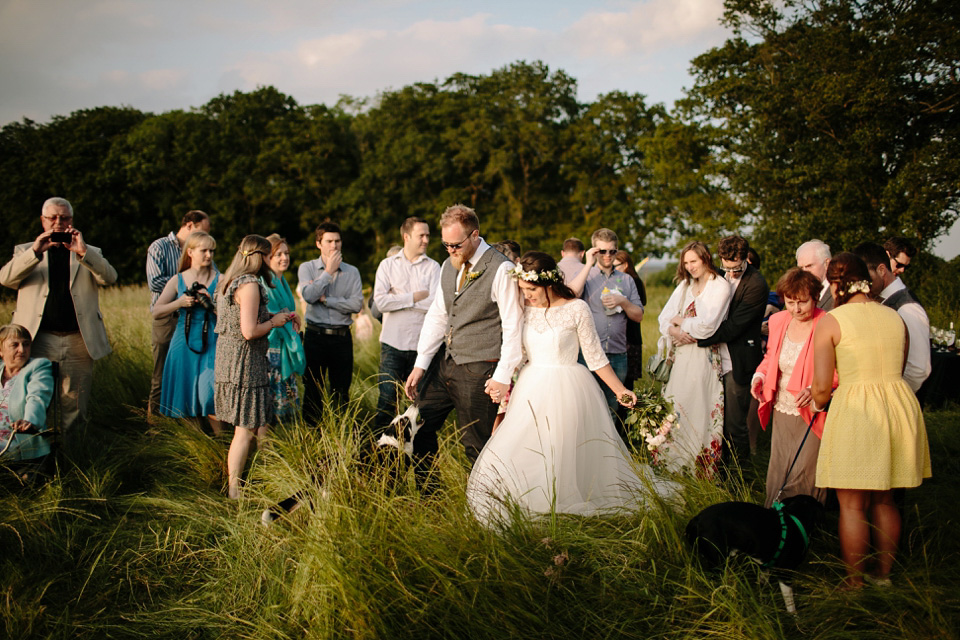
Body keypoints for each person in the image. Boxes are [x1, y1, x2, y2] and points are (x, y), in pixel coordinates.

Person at [466, 252, 676, 524]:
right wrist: (499, 379)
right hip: (532, 387)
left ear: (548, 283)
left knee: (561, 445)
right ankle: (531, 496)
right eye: (522, 290)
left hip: (569, 387)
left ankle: (563, 498)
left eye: (530, 289)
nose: (526, 295)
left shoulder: (577, 309)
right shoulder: (524, 311)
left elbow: (595, 357)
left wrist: (619, 390)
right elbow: (516, 353)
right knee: (529, 443)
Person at [812, 252, 931, 588]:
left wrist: (820, 403)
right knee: (885, 498)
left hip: (857, 408)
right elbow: (902, 366)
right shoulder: (894, 317)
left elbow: (821, 388)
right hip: (898, 404)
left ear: (836, 284)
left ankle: (854, 583)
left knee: (851, 505)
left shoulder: (832, 321)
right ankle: (884, 576)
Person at [404, 204, 524, 473]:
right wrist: (420, 364)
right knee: (418, 428)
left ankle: (485, 509)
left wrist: (503, 376)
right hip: (445, 363)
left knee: (476, 443)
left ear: (474, 235)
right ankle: (430, 497)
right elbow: (438, 315)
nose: (450, 251)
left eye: (455, 245)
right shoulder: (449, 265)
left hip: (481, 367)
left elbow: (513, 325)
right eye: (445, 245)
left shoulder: (500, 269)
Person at [0, 197, 117, 453]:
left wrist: (83, 252)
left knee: (74, 406)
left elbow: (110, 277)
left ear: (71, 221)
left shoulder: (87, 250)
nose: (58, 223)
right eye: (52, 218)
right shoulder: (26, 250)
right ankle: (32, 458)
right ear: (42, 221)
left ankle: (72, 460)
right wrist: (35, 251)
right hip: (35, 340)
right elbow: (6, 279)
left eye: (64, 218)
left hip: (78, 339)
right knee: (33, 402)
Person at [216, 235, 295, 499]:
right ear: (260, 256)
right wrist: (275, 323)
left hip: (230, 359)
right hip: (245, 363)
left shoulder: (229, 280)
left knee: (247, 428)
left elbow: (246, 318)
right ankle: (235, 491)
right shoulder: (249, 285)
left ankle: (243, 483)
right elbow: (249, 330)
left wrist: (274, 316)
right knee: (244, 431)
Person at [751, 268, 831, 507]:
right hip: (781, 404)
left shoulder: (827, 322)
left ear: (815, 298)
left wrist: (817, 388)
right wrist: (760, 375)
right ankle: (775, 518)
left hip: (811, 409)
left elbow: (838, 368)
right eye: (790, 302)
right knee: (780, 464)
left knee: (805, 468)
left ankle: (804, 522)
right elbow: (771, 357)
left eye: (803, 302)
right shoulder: (778, 320)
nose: (796, 309)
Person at [657, 241, 731, 476]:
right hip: (680, 357)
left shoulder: (719, 286)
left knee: (698, 408)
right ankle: (671, 464)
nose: (690, 267)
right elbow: (663, 319)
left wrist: (680, 321)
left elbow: (707, 327)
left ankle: (697, 468)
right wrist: (675, 331)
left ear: (706, 258)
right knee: (676, 405)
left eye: (694, 261)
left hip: (704, 358)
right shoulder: (684, 285)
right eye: (686, 262)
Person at [696, 235, 769, 467]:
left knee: (735, 425)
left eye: (736, 268)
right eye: (727, 267)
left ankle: (739, 475)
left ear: (746, 258)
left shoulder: (757, 284)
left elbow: (734, 327)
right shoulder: (716, 275)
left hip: (738, 359)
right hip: (713, 357)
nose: (732, 273)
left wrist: (697, 338)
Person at [372, 217, 441, 433]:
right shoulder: (387, 265)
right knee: (386, 402)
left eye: (428, 235)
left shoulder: (433, 267)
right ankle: (377, 454)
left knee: (420, 407)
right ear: (406, 237)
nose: (426, 240)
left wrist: (399, 298)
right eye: (422, 235)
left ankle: (417, 455)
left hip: (423, 349)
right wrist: (414, 297)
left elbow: (437, 305)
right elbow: (380, 302)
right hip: (393, 345)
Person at [568, 229, 644, 421]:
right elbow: (571, 296)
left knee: (613, 408)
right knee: (586, 406)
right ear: (595, 250)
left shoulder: (626, 279)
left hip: (618, 354)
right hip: (588, 354)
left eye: (612, 251)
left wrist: (623, 302)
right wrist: (588, 264)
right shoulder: (585, 275)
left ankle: (609, 447)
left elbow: (639, 316)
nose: (608, 256)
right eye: (603, 251)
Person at [151, 231, 222, 434]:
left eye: (212, 251)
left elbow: (230, 314)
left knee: (209, 394)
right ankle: (196, 445)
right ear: (190, 252)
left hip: (212, 340)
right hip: (183, 340)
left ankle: (222, 441)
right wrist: (180, 302)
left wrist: (211, 303)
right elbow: (156, 312)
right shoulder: (177, 280)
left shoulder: (221, 279)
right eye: (204, 250)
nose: (209, 255)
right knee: (184, 394)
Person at [146, 210, 211, 421]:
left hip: (199, 324)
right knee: (161, 376)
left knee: (196, 375)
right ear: (190, 226)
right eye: (203, 231)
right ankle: (155, 427)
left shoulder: (207, 257)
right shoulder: (159, 246)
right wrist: (186, 279)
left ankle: (198, 427)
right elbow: (155, 281)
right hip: (169, 318)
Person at [297, 222, 363, 425]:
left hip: (342, 338)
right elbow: (308, 295)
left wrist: (326, 300)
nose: (334, 245)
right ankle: (312, 436)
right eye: (329, 241)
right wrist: (327, 272)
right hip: (315, 337)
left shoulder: (352, 272)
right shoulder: (307, 268)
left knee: (341, 391)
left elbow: (356, 304)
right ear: (319, 244)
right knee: (313, 390)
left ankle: (340, 435)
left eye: (337, 241)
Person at [854, 242, 931, 393]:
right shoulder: (876, 298)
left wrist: (891, 397)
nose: (863, 284)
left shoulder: (908, 308)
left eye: (866, 278)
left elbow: (918, 369)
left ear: (881, 270)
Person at [0, 324, 55, 478]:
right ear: (1, 350)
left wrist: (29, 421)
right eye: (14, 345)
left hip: (17, 441)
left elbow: (37, 397)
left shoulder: (38, 367)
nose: (22, 350)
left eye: (26, 344)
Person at [262, 234, 305, 423]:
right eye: (278, 254)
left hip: (284, 345)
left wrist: (294, 316)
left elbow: (286, 311)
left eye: (286, 253)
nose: (284, 258)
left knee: (285, 400)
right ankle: (265, 445)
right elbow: (269, 314)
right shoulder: (265, 281)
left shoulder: (282, 280)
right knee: (271, 402)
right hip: (271, 347)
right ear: (267, 257)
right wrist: (289, 317)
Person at [612, 250, 647, 390]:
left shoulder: (633, 281)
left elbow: (641, 303)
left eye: (616, 266)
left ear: (625, 264)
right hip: (621, 336)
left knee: (626, 382)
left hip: (630, 336)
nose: (613, 270)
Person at [796, 239, 833, 311]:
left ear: (827, 264)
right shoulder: (796, 295)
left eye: (809, 266)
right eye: (801, 268)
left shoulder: (840, 293)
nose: (804, 272)